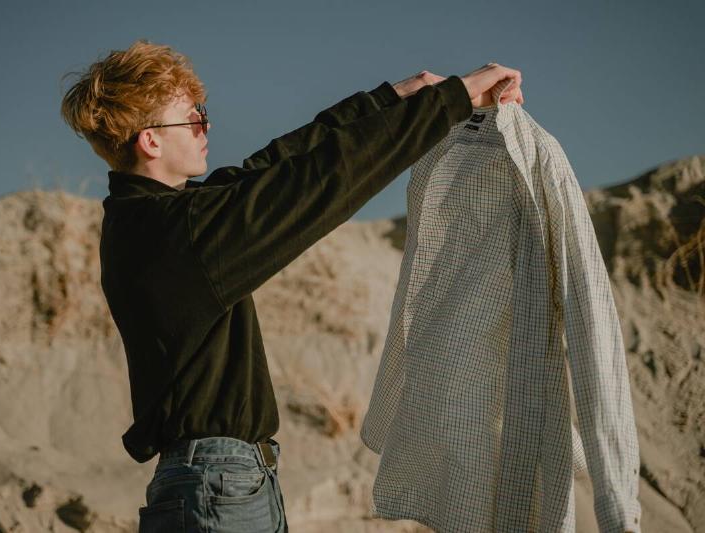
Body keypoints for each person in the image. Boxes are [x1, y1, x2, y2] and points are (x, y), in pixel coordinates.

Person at [60, 39, 522, 533]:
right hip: (220, 488)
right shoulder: (181, 233)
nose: (206, 127)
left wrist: (391, 98)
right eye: (192, 119)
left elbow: (275, 165)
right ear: (150, 141)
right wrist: (451, 101)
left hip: (215, 485)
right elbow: (320, 180)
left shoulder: (149, 221)